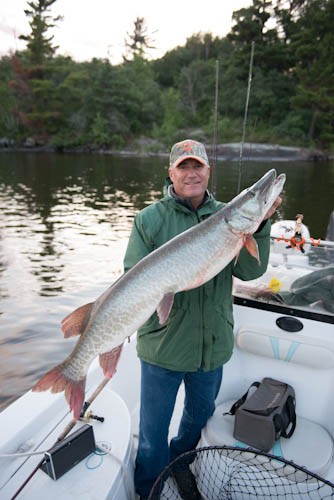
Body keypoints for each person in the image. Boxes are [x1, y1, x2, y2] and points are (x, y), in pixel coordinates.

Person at [123, 139, 282, 500]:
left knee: (198, 418)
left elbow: (251, 269)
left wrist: (261, 223)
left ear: (208, 171)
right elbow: (134, 275)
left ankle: (180, 461)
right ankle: (149, 487)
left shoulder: (230, 214)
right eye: (184, 167)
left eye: (198, 166)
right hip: (163, 347)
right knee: (151, 435)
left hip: (211, 347)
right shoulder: (149, 219)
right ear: (171, 173)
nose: (191, 173)